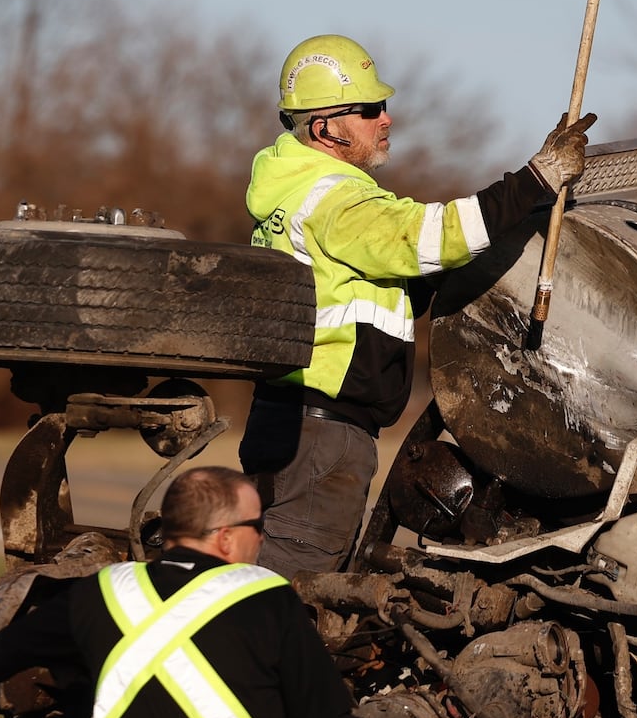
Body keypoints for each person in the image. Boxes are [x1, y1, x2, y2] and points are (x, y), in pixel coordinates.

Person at [239, 33, 596, 577]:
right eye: (369, 110)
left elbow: (398, 279)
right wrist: (534, 181)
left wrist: (510, 226)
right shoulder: (337, 200)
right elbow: (429, 238)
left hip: (292, 427)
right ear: (324, 128)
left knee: (272, 588)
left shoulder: (293, 196)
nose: (386, 119)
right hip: (322, 436)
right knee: (285, 600)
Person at [0, 465, 421, 718]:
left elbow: (9, 650)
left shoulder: (103, 591)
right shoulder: (268, 599)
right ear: (228, 538)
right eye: (259, 528)